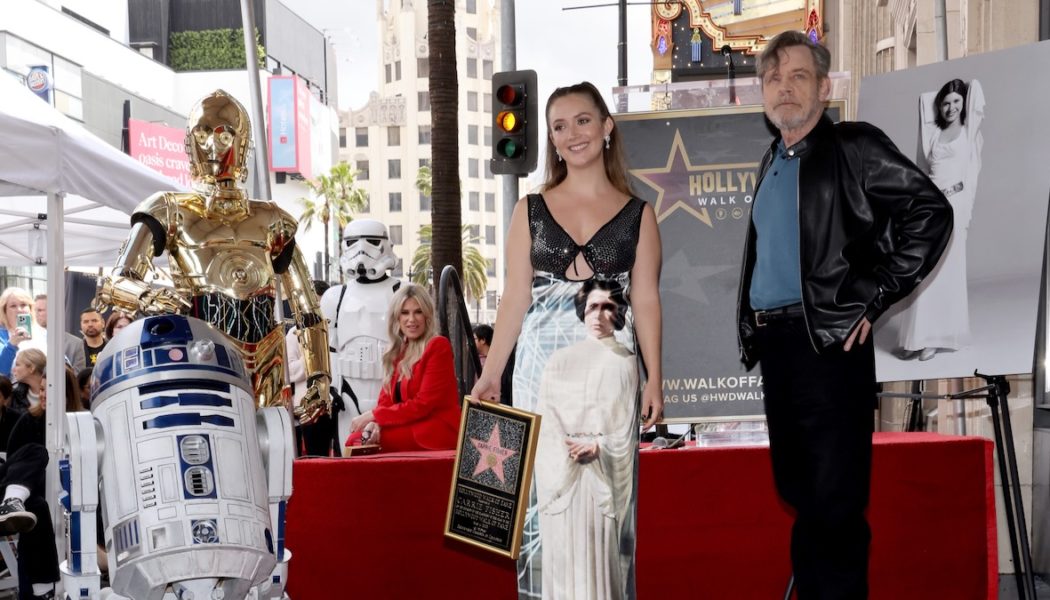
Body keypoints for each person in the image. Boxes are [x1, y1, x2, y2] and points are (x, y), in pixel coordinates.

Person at [736, 31, 952, 599]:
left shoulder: (854, 145)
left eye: (798, 77)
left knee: (835, 505)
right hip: (780, 348)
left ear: (824, 87)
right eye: (774, 79)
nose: (784, 89)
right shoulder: (773, 159)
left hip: (830, 347)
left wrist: (876, 293)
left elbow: (930, 211)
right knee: (804, 497)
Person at [470, 81, 664, 600]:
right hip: (540, 378)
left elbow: (645, 301)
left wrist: (656, 380)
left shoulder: (640, 215)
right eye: (559, 126)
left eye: (582, 120)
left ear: (606, 127)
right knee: (542, 506)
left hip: (611, 377)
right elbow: (514, 300)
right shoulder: (528, 210)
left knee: (608, 511)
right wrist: (492, 375)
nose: (572, 133)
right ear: (552, 141)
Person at [94, 89, 330, 420]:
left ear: (242, 141)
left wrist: (320, 376)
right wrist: (150, 296)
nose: (213, 146)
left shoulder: (273, 219)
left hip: (269, 361)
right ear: (190, 142)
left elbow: (308, 309)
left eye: (224, 134)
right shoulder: (169, 208)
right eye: (202, 133)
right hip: (200, 353)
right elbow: (115, 281)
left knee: (274, 458)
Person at [535, 278, 638, 597]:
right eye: (593, 306)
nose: (599, 314)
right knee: (563, 563)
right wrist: (566, 449)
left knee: (599, 569)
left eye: (608, 306)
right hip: (564, 480)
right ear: (582, 310)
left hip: (600, 481)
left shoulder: (627, 362)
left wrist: (599, 446)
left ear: (619, 312)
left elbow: (626, 425)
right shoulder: (559, 361)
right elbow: (546, 419)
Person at [896, 78, 985, 361]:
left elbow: (972, 174)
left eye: (957, 102)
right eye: (946, 102)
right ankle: (917, 337)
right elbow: (924, 101)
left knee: (947, 271)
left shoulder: (971, 134)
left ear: (964, 104)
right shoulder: (932, 134)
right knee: (926, 269)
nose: (950, 107)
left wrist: (967, 212)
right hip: (931, 206)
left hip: (955, 205)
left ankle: (936, 338)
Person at [320, 219, 402, 450]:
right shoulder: (335, 296)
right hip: (347, 387)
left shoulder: (401, 291)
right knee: (348, 449)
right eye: (353, 242)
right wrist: (332, 388)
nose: (361, 249)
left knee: (391, 453)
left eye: (372, 242)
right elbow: (332, 348)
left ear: (386, 244)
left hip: (389, 387)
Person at [347, 284, 460, 452]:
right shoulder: (397, 351)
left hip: (435, 431)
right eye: (405, 313)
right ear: (397, 318)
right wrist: (376, 423)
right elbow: (385, 400)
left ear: (427, 315)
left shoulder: (438, 346)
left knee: (357, 440)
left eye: (418, 312)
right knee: (360, 438)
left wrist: (374, 416)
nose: (411, 319)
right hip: (410, 424)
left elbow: (423, 404)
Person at [0, 359, 72, 599]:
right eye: (41, 390)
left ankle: (40, 592)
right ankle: (12, 500)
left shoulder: (78, 424)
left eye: (48, 390)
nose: (43, 395)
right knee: (37, 452)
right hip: (11, 485)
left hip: (43, 499)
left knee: (33, 511)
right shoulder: (28, 420)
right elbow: (13, 462)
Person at [288, 280, 336, 456]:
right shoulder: (294, 333)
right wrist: (314, 359)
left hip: (336, 404)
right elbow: (290, 371)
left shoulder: (334, 331)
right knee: (315, 457)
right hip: (309, 407)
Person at [30, 294, 86, 371]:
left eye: (40, 310)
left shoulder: (75, 344)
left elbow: (78, 376)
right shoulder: (28, 341)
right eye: (35, 310)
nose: (36, 314)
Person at [0, 287, 34, 378]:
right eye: (13, 306)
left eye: (23, 305)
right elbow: (2, 374)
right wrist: (12, 345)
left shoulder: (43, 333)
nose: (19, 309)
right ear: (4, 311)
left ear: (30, 309)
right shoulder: (1, 336)